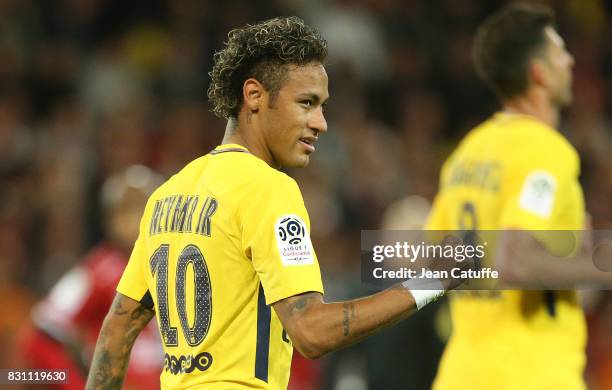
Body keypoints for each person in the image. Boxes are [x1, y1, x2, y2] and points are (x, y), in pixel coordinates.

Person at [85, 16, 464, 390]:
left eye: (322, 106)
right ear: (254, 96)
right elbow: (312, 331)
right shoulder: (267, 188)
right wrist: (432, 280)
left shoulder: (168, 195)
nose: (321, 122)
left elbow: (117, 330)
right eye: (306, 103)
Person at [426, 3, 612, 389]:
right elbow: (518, 261)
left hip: (462, 373)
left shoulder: (467, 152)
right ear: (538, 73)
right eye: (560, 51)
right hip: (530, 372)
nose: (571, 60)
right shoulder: (545, 152)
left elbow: (435, 260)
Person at [18, 165, 164, 390]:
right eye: (126, 210)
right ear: (109, 218)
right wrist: (79, 385)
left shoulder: (172, 267)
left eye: (143, 209)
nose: (135, 219)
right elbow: (39, 340)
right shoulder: (98, 271)